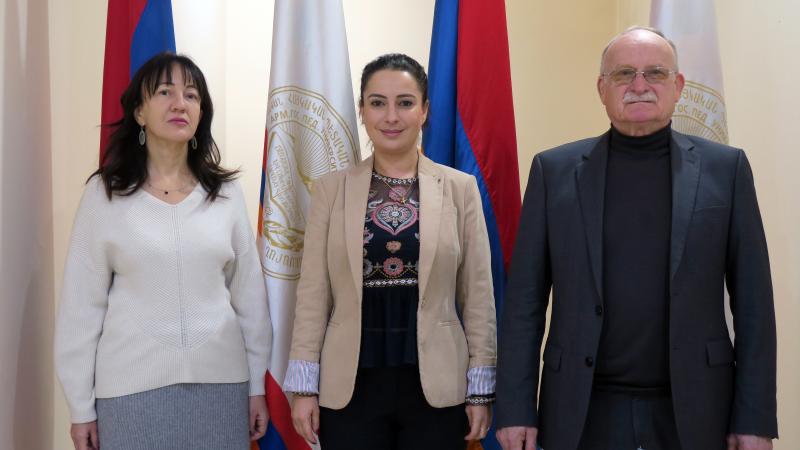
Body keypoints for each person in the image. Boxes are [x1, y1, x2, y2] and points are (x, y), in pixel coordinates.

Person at [496, 27, 777, 450]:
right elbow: (524, 303)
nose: (639, 85)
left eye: (656, 73)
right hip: (583, 410)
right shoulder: (553, 172)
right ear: (601, 88)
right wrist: (516, 408)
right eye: (624, 73)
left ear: (678, 86)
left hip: (696, 409)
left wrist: (754, 418)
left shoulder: (727, 170)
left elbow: (754, 303)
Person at [55, 52, 271, 450]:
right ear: (139, 112)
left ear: (201, 113)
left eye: (191, 95)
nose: (179, 104)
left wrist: (257, 384)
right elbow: (80, 309)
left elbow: (250, 299)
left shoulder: (226, 195)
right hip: (129, 394)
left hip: (222, 389)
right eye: (165, 92)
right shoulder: (104, 195)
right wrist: (80, 407)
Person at [284, 53, 497, 450]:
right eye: (378, 103)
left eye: (405, 102)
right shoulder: (331, 190)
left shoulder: (459, 188)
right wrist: (303, 387)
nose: (391, 116)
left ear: (425, 110)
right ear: (362, 110)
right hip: (350, 386)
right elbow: (313, 294)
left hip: (438, 387)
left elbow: (478, 295)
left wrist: (481, 389)